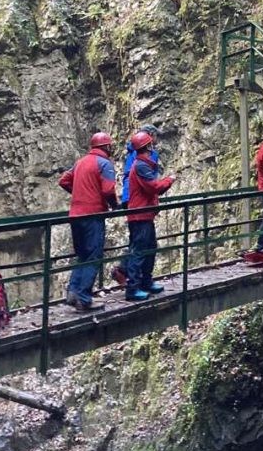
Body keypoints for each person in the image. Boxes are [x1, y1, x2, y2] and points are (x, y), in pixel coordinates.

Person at [58, 132, 119, 311]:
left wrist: (79, 194)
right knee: (93, 256)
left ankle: (73, 292)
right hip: (93, 215)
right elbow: (108, 190)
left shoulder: (80, 162)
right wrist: (114, 205)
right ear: (106, 147)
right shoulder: (104, 163)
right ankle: (84, 299)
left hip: (75, 215)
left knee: (82, 255)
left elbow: (64, 181)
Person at [125, 130, 176, 301]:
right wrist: (169, 180)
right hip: (140, 215)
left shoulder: (142, 164)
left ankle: (145, 281)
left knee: (149, 248)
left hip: (144, 214)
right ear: (148, 145)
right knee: (139, 251)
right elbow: (154, 187)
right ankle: (132, 288)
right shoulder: (141, 166)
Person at [112, 124, 161, 285]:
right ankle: (132, 278)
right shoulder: (144, 155)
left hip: (131, 198)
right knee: (142, 242)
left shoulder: (132, 152)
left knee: (138, 241)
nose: (155, 141)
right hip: (140, 201)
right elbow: (151, 181)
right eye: (154, 137)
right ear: (149, 137)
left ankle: (130, 273)